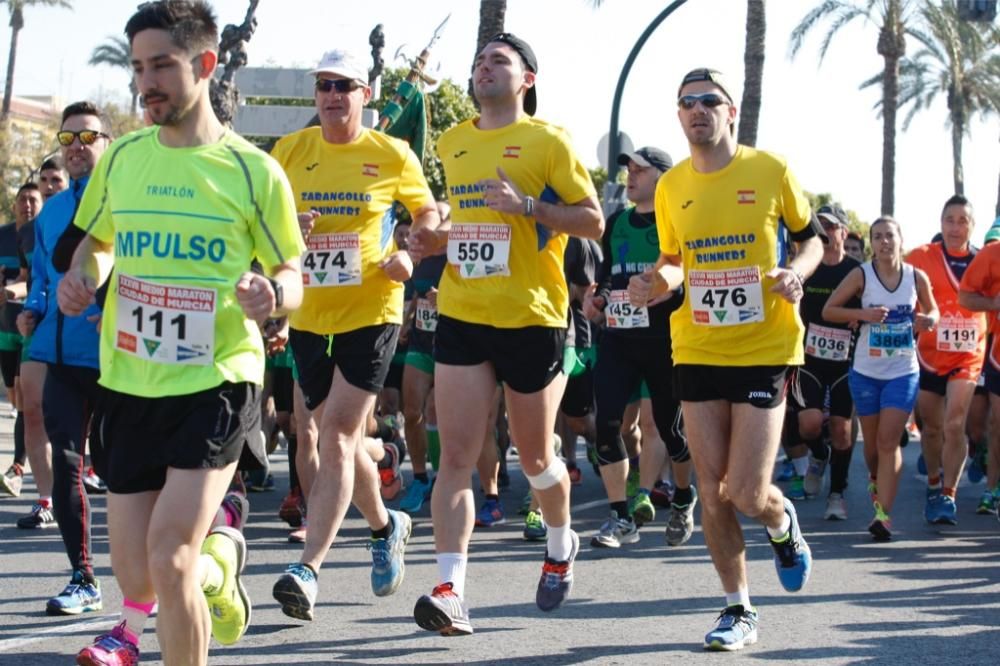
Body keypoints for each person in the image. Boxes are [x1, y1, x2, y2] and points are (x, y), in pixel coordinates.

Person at [58, 3, 304, 664]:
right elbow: (97, 245)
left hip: (217, 378)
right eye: (139, 68)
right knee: (136, 576)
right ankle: (222, 556)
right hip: (130, 379)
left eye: (161, 65)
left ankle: (205, 561)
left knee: (169, 560)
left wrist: (272, 293)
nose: (147, 83)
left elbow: (292, 270)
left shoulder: (253, 172)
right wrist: (82, 277)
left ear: (204, 63)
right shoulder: (124, 159)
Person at [408, 33, 603, 635]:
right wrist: (433, 236)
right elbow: (461, 215)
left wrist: (529, 209)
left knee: (538, 454)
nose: (484, 68)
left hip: (533, 317)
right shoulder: (454, 140)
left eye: (499, 61)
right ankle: (449, 588)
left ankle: (561, 540)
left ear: (527, 80)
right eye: (479, 62)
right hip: (465, 312)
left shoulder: (549, 142)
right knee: (456, 459)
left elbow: (592, 219)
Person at [628, 68, 823, 651]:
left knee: (745, 490)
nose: (697, 110)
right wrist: (654, 281)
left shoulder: (770, 171)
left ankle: (782, 521)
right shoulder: (671, 187)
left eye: (709, 100)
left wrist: (798, 271)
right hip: (698, 346)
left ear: (730, 112)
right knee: (711, 489)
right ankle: (738, 608)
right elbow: (674, 259)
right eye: (686, 102)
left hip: (764, 348)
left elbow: (811, 238)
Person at [268, 47, 438, 622]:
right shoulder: (290, 151)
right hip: (311, 313)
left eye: (344, 86)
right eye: (323, 86)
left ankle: (307, 569)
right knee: (329, 433)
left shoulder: (392, 153)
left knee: (334, 435)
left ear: (365, 95)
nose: (333, 95)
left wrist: (410, 257)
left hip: (373, 307)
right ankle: (387, 525)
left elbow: (428, 216)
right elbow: (263, 225)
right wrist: (289, 228)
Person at [18, 102, 111, 616]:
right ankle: (84, 578)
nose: (76, 147)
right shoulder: (51, 210)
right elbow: (42, 281)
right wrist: (32, 312)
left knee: (126, 471)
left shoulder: (126, 197)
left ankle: (168, 569)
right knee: (68, 465)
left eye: (87, 138)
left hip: (119, 358)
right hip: (61, 354)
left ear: (105, 143)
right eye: (68, 137)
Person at [586, 146, 695, 549]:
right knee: (607, 424)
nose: (630, 176)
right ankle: (619, 517)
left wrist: (666, 290)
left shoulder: (678, 223)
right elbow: (608, 276)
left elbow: (687, 275)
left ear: (663, 179)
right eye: (628, 169)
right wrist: (597, 299)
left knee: (671, 429)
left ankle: (683, 496)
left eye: (640, 170)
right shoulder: (616, 222)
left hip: (666, 342)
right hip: (618, 338)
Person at [823, 217, 937, 539]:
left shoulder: (916, 277)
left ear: (901, 239)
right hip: (866, 372)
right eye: (878, 237)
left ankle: (883, 516)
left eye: (890, 235)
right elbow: (830, 310)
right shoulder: (862, 275)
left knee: (889, 441)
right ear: (872, 242)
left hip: (903, 371)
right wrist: (862, 314)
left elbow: (935, 311)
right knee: (872, 448)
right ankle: (876, 479)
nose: (884, 242)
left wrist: (928, 320)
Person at [905, 195, 986, 525]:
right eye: (950, 220)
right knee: (933, 428)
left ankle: (947, 495)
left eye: (963, 220)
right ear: (941, 223)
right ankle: (935, 482)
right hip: (929, 355)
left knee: (955, 423)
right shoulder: (921, 257)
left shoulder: (985, 261)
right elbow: (901, 293)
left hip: (969, 354)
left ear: (972, 226)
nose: (956, 227)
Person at [791, 203, 861, 518]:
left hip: (847, 361)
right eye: (819, 227)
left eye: (831, 227)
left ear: (844, 232)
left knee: (843, 431)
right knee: (809, 424)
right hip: (810, 359)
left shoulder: (856, 272)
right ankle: (819, 456)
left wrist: (860, 320)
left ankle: (837, 493)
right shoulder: (805, 266)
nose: (825, 233)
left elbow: (871, 309)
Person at [0, 183, 42, 499]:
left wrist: (16, 290)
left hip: (35, 326)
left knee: (27, 398)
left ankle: (18, 467)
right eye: (22, 199)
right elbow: (26, 273)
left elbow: (32, 280)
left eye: (33, 199)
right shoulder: (13, 235)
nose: (27, 205)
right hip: (7, 325)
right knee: (15, 394)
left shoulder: (47, 232)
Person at [958, 228, 1000, 520]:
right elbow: (965, 295)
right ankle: (992, 487)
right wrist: (992, 303)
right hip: (996, 352)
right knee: (995, 423)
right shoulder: (992, 253)